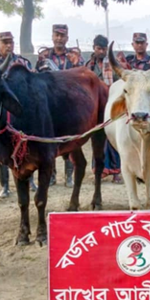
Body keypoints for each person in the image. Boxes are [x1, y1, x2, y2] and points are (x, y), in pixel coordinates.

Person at [0, 32, 34, 198]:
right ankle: (5, 185)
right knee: (1, 150)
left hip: (20, 113)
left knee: (25, 147)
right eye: (4, 43)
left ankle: (30, 179)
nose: (8, 45)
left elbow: (33, 86)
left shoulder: (23, 63)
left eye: (10, 42)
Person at [36, 24, 84, 188]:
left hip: (69, 104)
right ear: (52, 36)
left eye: (62, 36)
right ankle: (51, 175)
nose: (59, 39)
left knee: (70, 140)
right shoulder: (44, 56)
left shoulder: (74, 56)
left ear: (67, 38)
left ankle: (69, 177)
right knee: (49, 140)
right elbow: (37, 78)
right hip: (48, 105)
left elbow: (81, 76)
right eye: (56, 35)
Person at [85, 34, 123, 184]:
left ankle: (116, 172)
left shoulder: (114, 64)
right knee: (97, 139)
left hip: (111, 106)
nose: (101, 51)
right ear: (94, 48)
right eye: (99, 48)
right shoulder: (88, 66)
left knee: (113, 139)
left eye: (104, 49)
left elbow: (120, 83)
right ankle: (99, 171)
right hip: (95, 106)